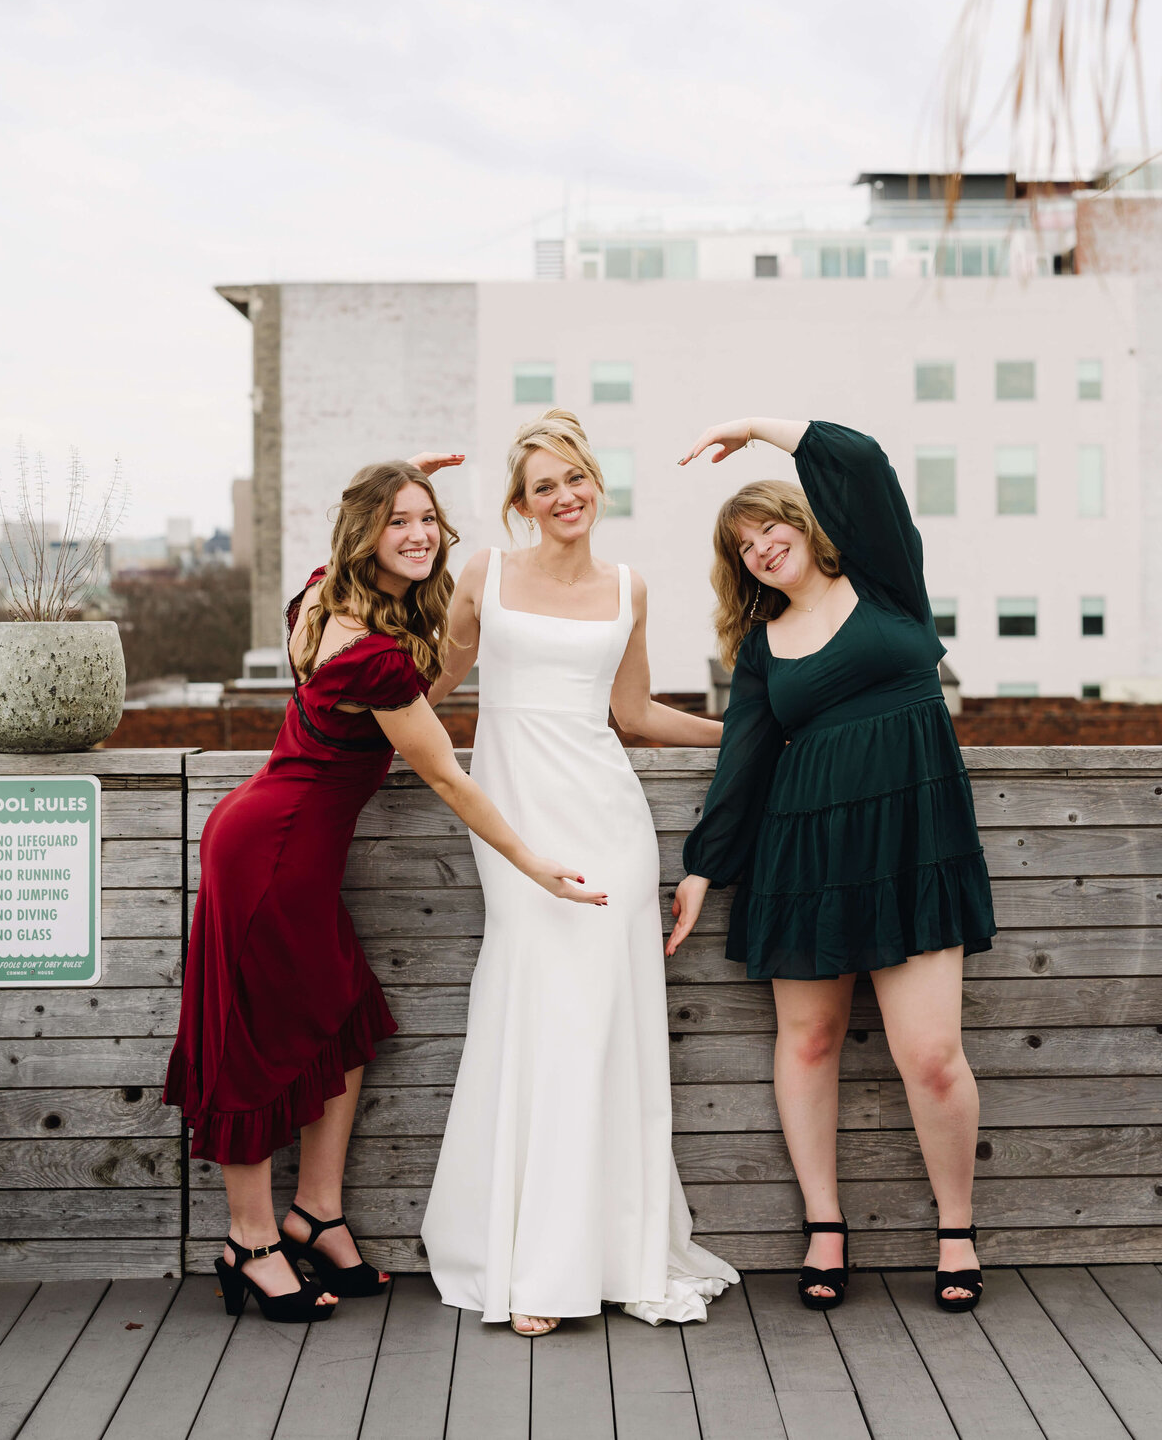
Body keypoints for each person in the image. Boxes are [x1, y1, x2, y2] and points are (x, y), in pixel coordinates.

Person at [164, 453, 605, 1325]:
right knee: (252, 1048)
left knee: (345, 1023)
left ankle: (315, 1212)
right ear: (366, 534)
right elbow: (445, 774)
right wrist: (532, 861)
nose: (418, 535)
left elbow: (396, 668)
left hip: (270, 841)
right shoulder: (371, 658)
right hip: (273, 856)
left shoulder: (319, 605)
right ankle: (249, 1245)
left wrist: (402, 469)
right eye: (398, 520)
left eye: (428, 520)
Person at [420, 410, 738, 1336]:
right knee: (537, 1008)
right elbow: (424, 687)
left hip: (607, 818)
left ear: (596, 482)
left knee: (601, 1024)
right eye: (542, 487)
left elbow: (635, 714)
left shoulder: (628, 586)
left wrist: (746, 736)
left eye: (575, 479)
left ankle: (599, 1255)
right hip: (513, 814)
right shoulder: (485, 575)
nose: (564, 497)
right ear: (521, 505)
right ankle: (531, 1258)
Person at [670, 417, 995, 1313]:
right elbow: (742, 760)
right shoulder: (762, 648)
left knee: (930, 1055)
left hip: (914, 843)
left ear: (803, 522)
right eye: (742, 547)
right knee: (808, 1041)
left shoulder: (887, 584)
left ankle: (957, 1230)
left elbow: (865, 467)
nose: (761, 547)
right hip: (805, 852)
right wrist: (703, 869)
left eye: (769, 526)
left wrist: (760, 429)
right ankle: (824, 1224)